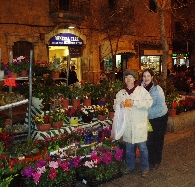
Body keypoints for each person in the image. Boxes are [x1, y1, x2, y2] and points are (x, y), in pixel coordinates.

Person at [113, 69, 153, 177]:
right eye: (126, 77)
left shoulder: (141, 90)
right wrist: (119, 105)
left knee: (143, 148)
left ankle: (145, 167)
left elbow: (149, 102)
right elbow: (115, 105)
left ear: (134, 79)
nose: (128, 79)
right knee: (129, 149)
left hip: (138, 125)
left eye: (130, 77)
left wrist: (134, 102)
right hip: (127, 126)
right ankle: (130, 166)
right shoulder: (121, 93)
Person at [141, 68, 168, 170]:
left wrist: (144, 112)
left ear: (152, 77)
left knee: (157, 139)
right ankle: (150, 158)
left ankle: (156, 160)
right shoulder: (140, 88)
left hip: (159, 117)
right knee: (148, 139)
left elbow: (159, 106)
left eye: (148, 76)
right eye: (144, 76)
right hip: (147, 118)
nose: (146, 78)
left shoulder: (157, 89)